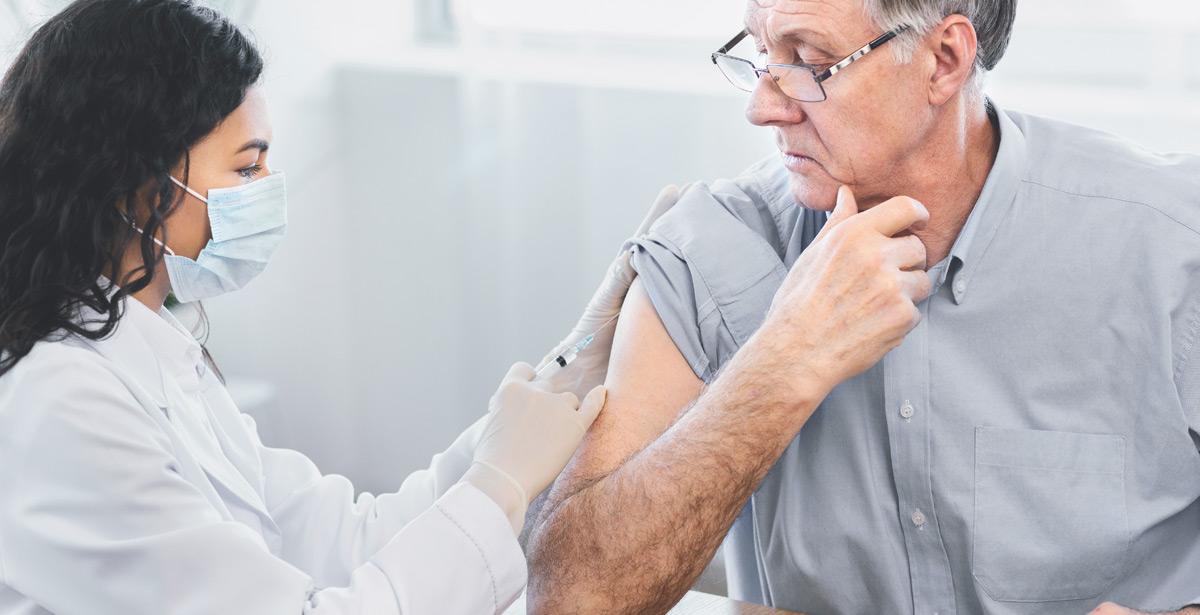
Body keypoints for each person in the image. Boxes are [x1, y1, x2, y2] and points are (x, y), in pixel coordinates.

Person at [526, 0, 1200, 614]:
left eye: (809, 63)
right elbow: (572, 600)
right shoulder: (709, 252)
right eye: (761, 55)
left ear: (943, 61)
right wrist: (784, 358)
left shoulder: (1171, 249)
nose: (762, 108)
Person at [0, 1, 672, 613]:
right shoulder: (59, 401)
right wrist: (499, 481)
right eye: (244, 168)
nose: (268, 190)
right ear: (136, 181)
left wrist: (567, 369)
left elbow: (346, 536)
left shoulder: (157, 353)